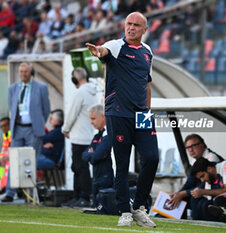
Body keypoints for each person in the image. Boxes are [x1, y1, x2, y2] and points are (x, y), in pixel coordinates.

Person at [86, 12, 159, 228]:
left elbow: (147, 84)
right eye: (129, 24)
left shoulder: (147, 52)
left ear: (145, 30)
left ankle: (139, 207)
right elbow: (103, 51)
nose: (131, 28)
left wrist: (147, 110)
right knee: (122, 164)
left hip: (142, 115)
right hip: (118, 113)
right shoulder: (116, 46)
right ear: (124, 25)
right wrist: (98, 51)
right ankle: (124, 211)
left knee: (152, 158)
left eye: (137, 25)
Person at [4, 62, 50, 203]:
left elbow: (46, 109)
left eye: (26, 71)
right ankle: (10, 192)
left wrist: (38, 123)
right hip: (17, 128)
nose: (23, 74)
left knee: (31, 160)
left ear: (30, 72)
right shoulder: (13, 88)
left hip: (33, 128)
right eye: (21, 71)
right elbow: (11, 106)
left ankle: (29, 193)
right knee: (14, 159)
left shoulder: (41, 87)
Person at [61, 67, 98, 208]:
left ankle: (83, 197)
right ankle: (77, 196)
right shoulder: (92, 91)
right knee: (79, 167)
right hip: (87, 135)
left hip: (78, 136)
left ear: (75, 78)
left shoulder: (80, 92)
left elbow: (71, 114)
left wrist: (65, 129)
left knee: (80, 168)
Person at [168, 134, 224, 216]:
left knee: (191, 198)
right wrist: (178, 194)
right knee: (178, 199)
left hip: (213, 194)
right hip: (202, 192)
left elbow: (204, 184)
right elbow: (190, 182)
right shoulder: (195, 161)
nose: (190, 150)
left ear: (202, 145)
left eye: (193, 146)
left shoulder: (211, 158)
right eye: (188, 148)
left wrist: (182, 194)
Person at [82, 104, 114, 209]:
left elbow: (97, 155)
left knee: (103, 208)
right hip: (97, 176)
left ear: (103, 117)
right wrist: (93, 154)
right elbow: (85, 155)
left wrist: (92, 155)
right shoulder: (97, 136)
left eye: (93, 119)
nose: (91, 122)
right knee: (96, 207)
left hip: (106, 177)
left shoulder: (108, 134)